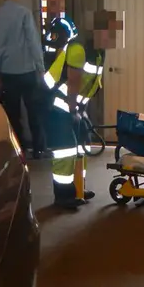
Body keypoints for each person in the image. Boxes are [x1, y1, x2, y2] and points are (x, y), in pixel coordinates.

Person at [41, 16, 105, 209]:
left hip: (73, 105)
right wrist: (72, 110)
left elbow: (90, 83)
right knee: (65, 151)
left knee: (79, 149)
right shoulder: (78, 49)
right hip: (58, 104)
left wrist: (81, 109)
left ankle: (78, 189)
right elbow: (74, 80)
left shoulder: (98, 52)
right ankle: (63, 196)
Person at [0, 0, 48, 158]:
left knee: (12, 114)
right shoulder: (24, 13)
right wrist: (40, 67)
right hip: (27, 70)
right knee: (34, 111)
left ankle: (18, 149)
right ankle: (39, 149)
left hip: (6, 72)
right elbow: (33, 42)